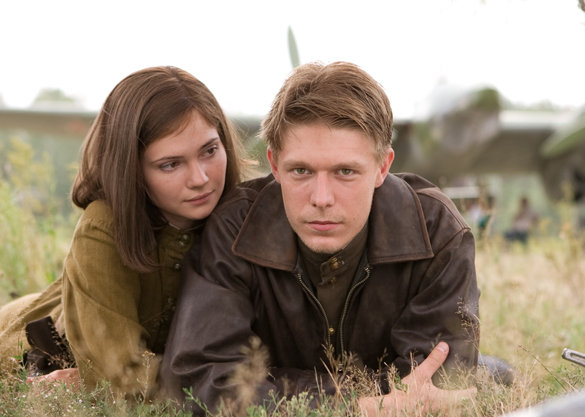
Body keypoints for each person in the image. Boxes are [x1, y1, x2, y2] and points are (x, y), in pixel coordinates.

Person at [160, 61, 480, 415]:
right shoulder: (234, 228)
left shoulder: (437, 232)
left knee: (497, 378)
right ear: (275, 164)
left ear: (382, 167)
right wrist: (357, 406)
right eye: (301, 171)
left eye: (345, 172)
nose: (321, 198)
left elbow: (430, 387)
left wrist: (269, 385)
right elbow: (201, 377)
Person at [0, 66, 247, 398]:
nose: (200, 177)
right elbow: (126, 380)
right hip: (28, 344)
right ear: (131, 168)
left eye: (209, 150)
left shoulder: (244, 219)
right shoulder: (103, 227)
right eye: (171, 164)